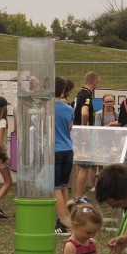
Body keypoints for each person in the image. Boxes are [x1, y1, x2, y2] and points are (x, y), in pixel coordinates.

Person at [72, 71, 100, 202]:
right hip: (83, 134)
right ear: (94, 82)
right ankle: (78, 196)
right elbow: (84, 113)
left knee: (79, 164)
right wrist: (86, 129)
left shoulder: (79, 94)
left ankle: (76, 193)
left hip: (76, 133)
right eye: (97, 83)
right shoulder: (87, 95)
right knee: (84, 166)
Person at [54, 77, 75, 236]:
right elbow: (70, 128)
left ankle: (63, 222)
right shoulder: (69, 108)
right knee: (63, 187)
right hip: (68, 149)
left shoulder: (47, 108)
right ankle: (67, 218)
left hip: (54, 151)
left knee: (54, 189)